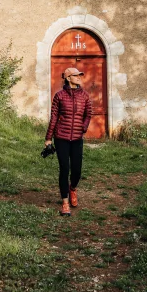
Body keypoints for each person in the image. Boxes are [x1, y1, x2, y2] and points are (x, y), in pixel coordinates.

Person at [44, 66, 93, 215]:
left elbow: (88, 114)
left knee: (77, 170)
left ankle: (72, 188)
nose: (79, 77)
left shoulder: (84, 95)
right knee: (64, 169)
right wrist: (48, 139)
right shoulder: (59, 96)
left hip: (77, 138)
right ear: (68, 78)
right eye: (76, 75)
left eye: (79, 75)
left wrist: (83, 128)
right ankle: (65, 203)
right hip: (61, 138)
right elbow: (54, 117)